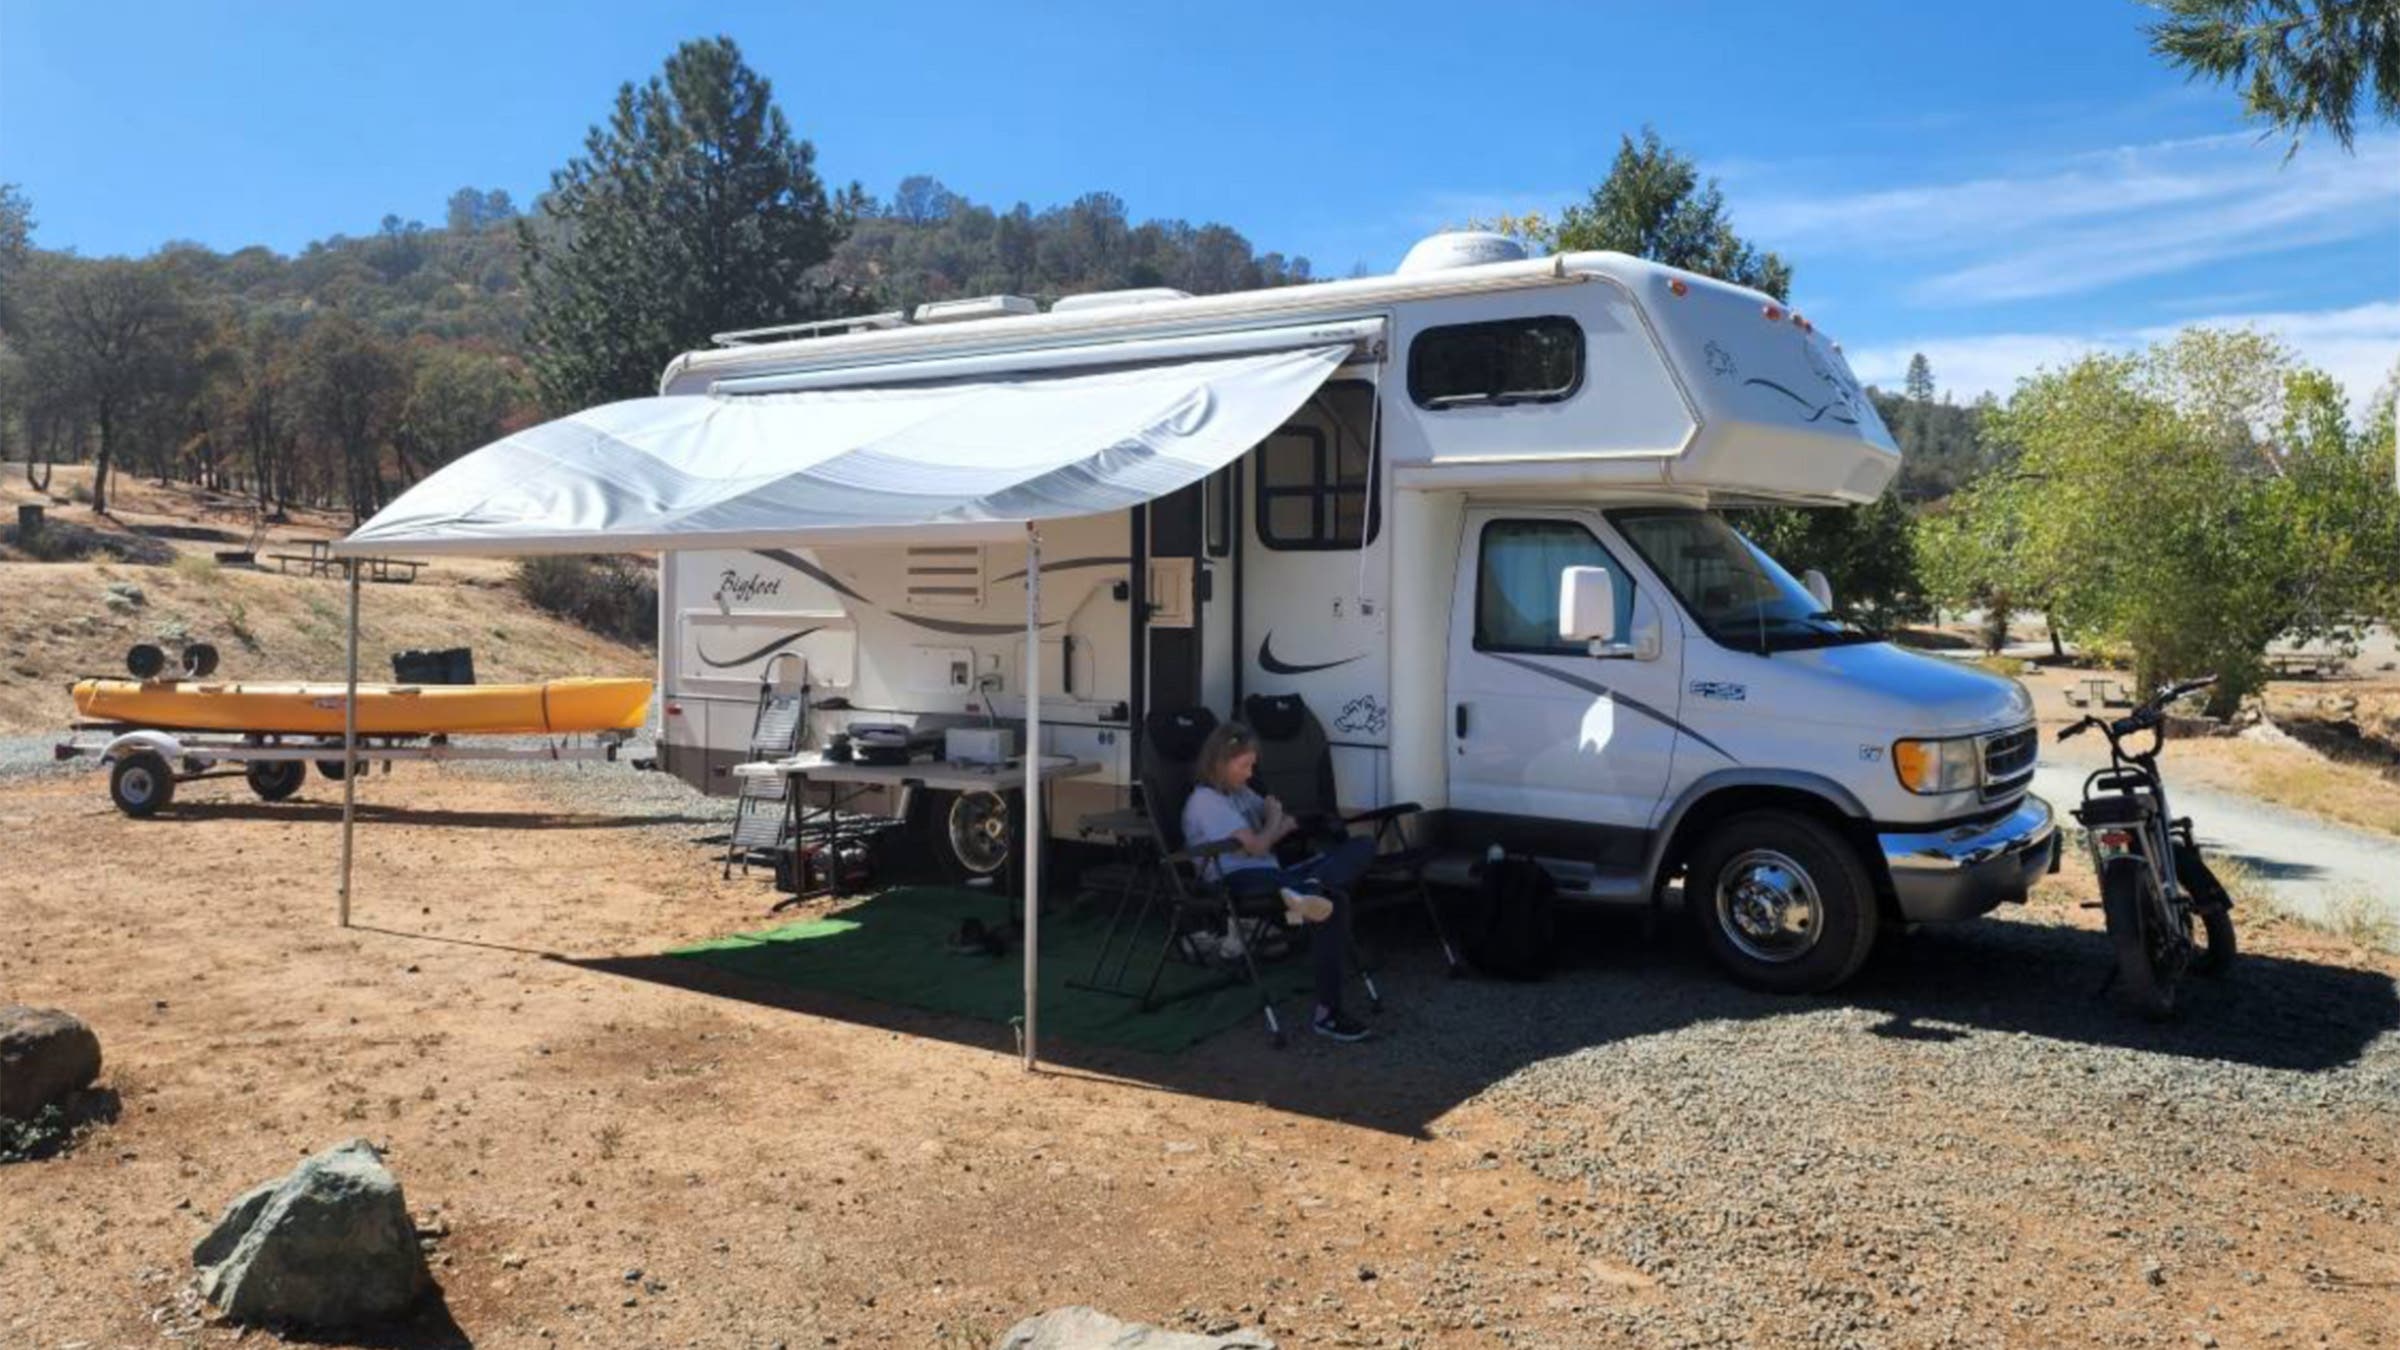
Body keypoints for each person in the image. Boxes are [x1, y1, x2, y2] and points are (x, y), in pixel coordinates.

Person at [1180, 720, 1376, 1042]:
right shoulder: (1206, 802)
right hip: (1237, 881)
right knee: (1334, 904)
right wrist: (1271, 824)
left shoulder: (1240, 794)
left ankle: (1306, 892)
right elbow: (1260, 842)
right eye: (1244, 766)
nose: (1249, 774)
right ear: (1220, 763)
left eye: (1252, 766)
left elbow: (1284, 824)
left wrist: (1272, 829)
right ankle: (1327, 1013)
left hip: (1275, 877)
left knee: (1363, 846)